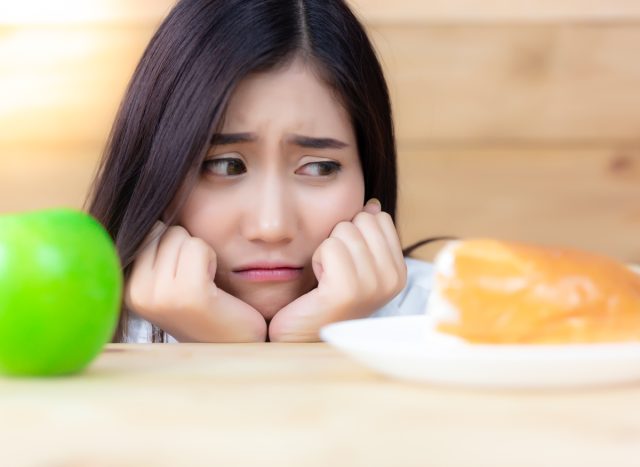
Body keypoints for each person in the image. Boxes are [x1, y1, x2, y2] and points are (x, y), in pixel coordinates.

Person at [86, 0, 436, 343]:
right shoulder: (79, 330)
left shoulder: (447, 320)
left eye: (318, 167)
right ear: (156, 169)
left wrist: (314, 339)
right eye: (226, 165)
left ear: (369, 172)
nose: (272, 227)